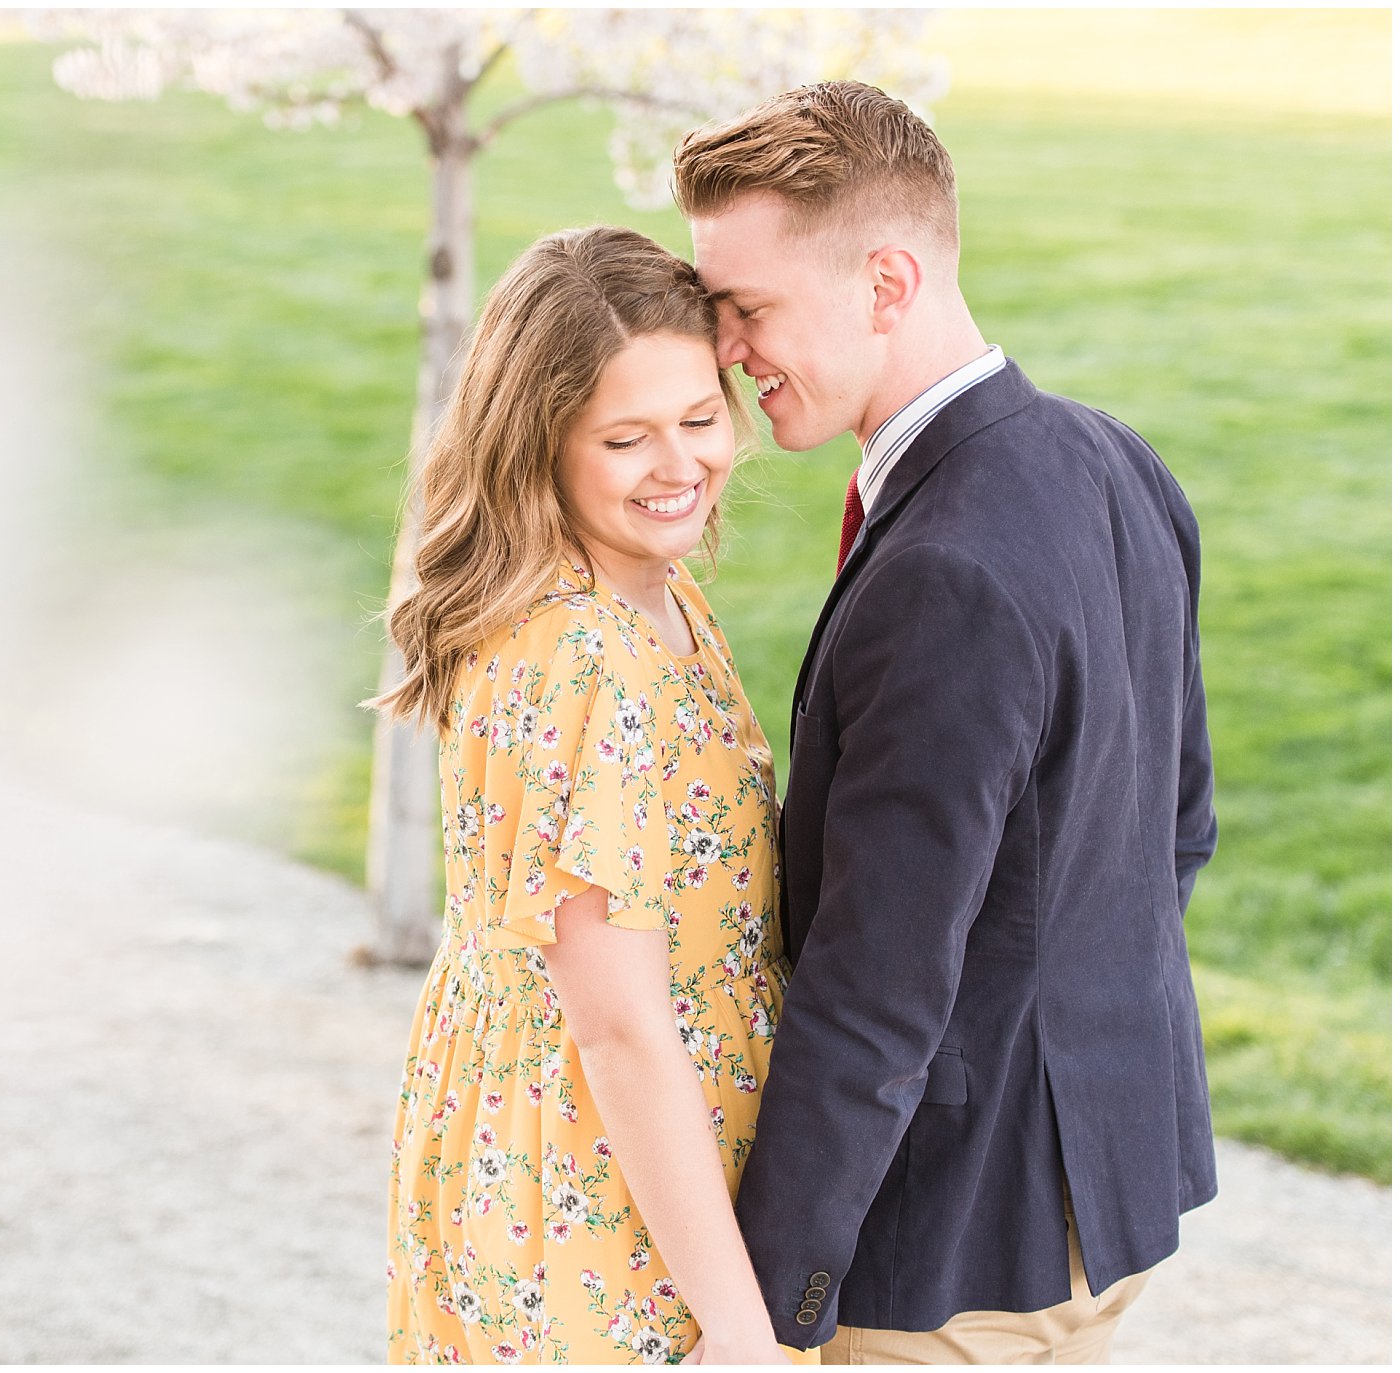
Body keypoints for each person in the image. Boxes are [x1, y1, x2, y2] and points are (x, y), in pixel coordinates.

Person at [673, 81, 1218, 1363]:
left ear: (885, 282)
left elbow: (873, 985)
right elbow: (1172, 830)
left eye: (748, 308)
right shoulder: (1111, 457)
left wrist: (756, 1311)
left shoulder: (943, 573)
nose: (725, 352)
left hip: (952, 1256)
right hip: (1097, 1196)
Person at [372, 225, 808, 1365]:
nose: (679, 466)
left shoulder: (645, 590)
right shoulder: (583, 658)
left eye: (699, 418)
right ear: (539, 447)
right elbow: (616, 1026)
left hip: (590, 1147)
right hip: (600, 1181)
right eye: (625, 437)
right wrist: (742, 1329)